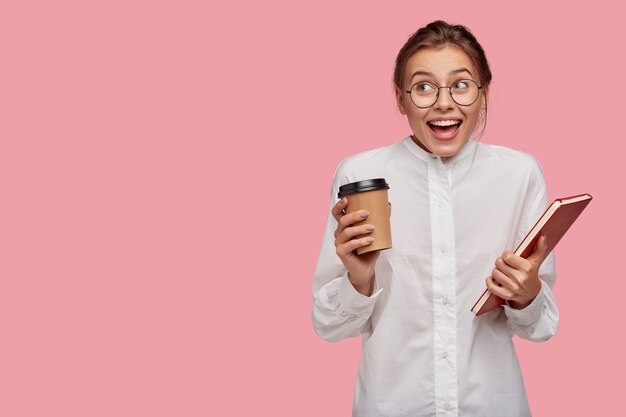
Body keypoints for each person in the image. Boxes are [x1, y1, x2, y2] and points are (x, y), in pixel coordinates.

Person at [311, 20, 558, 417]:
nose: (444, 103)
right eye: (423, 87)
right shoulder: (358, 176)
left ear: (484, 94)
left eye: (460, 85)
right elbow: (328, 325)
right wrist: (359, 280)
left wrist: (526, 294)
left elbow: (542, 327)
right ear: (400, 98)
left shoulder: (520, 175)